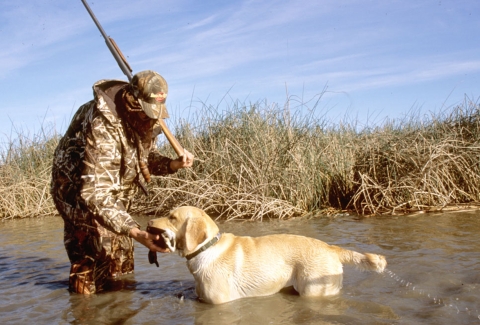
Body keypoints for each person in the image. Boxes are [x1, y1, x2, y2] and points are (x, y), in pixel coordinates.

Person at [50, 70, 194, 294]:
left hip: (112, 193)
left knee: (121, 259)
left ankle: (119, 308)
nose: (151, 118)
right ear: (132, 100)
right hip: (78, 193)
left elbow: (145, 159)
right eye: (147, 112)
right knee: (93, 254)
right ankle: (83, 312)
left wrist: (172, 164)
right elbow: (95, 194)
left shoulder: (145, 117)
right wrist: (137, 233)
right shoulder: (102, 123)